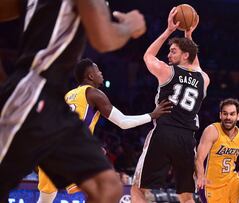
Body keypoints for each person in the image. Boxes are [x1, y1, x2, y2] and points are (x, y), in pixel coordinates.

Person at [0, 0, 146, 202]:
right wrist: (130, 25)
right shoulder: (90, 93)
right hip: (31, 93)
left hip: (50, 103)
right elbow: (104, 38)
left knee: (106, 187)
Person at [36, 58, 172, 203]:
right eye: (97, 70)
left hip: (50, 149)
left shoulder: (68, 95)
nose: (101, 73)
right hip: (71, 153)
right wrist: (152, 115)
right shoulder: (94, 93)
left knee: (45, 199)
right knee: (106, 188)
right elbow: (123, 122)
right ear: (90, 76)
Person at [131, 7, 210, 203]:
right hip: (186, 140)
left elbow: (148, 56)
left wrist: (168, 30)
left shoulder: (167, 72)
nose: (168, 55)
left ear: (185, 56)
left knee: (138, 190)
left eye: (173, 51)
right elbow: (195, 65)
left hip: (164, 133)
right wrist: (188, 35)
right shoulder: (204, 79)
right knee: (186, 197)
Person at [195, 98, 239, 203]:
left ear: (238, 116)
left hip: (232, 183)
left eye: (232, 114)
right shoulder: (212, 130)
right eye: (225, 114)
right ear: (220, 115)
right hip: (211, 186)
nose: (228, 117)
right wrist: (200, 175)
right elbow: (199, 158)